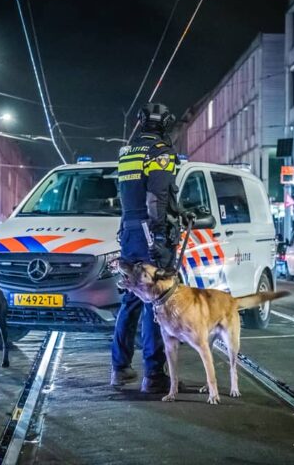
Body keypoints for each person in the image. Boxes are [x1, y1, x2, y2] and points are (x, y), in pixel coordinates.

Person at [111, 103, 183, 393]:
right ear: (165, 125)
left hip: (129, 231)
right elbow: (155, 198)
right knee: (157, 300)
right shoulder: (161, 153)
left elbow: (129, 196)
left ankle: (120, 368)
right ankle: (153, 375)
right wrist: (159, 240)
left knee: (130, 301)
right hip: (150, 234)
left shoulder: (127, 153)